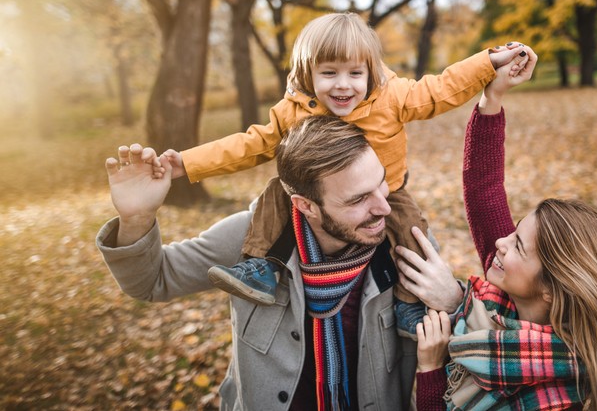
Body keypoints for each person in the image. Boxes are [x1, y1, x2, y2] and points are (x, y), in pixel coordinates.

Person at [152, 12, 530, 337]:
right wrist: (188, 163)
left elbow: (442, 87)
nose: (343, 84)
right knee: (274, 194)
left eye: (355, 72)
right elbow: (251, 145)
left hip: (390, 189)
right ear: (308, 73)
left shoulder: (392, 97)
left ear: (370, 72)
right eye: (329, 73)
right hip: (314, 194)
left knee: (412, 234)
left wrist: (489, 62)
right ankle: (262, 266)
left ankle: (408, 302)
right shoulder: (295, 111)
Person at [98, 116, 464, 410]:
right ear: (306, 205)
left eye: (381, 184)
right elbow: (151, 281)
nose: (383, 207)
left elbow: (468, 343)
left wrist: (453, 300)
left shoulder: (404, 241)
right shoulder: (252, 239)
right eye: (358, 199)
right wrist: (136, 219)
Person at [395, 52, 597, 410]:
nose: (499, 241)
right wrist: (492, 97)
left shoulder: (547, 398)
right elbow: (485, 189)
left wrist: (431, 368)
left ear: (551, 289)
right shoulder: (513, 294)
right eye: (514, 232)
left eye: (518, 245)